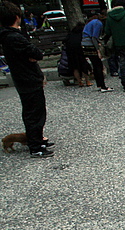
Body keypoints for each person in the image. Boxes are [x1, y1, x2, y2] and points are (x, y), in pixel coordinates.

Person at [0, 1, 54, 157]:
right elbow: (37, 53)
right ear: (17, 17)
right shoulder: (15, 37)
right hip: (28, 79)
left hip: (23, 78)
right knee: (34, 113)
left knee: (36, 111)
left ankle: (36, 139)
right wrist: (32, 58)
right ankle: (36, 146)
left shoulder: (7, 36)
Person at [82, 11, 114, 92]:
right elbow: (94, 37)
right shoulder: (98, 23)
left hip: (84, 44)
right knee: (98, 65)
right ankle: (103, 86)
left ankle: (99, 84)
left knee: (95, 65)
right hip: (91, 45)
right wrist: (98, 50)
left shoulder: (91, 22)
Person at [64, 22, 92, 87]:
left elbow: (65, 41)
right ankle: (87, 81)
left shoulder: (71, 33)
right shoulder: (82, 33)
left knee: (75, 67)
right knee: (84, 65)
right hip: (80, 50)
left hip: (70, 52)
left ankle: (79, 82)